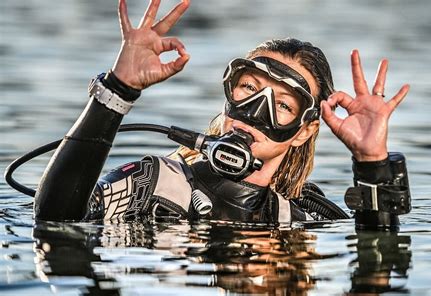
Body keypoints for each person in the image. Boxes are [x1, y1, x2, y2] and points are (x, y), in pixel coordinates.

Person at [34, 0, 411, 230]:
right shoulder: (154, 183)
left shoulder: (306, 215)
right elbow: (54, 222)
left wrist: (371, 163)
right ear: (229, 91)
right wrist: (117, 90)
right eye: (248, 88)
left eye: (283, 105)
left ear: (303, 130)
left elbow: (378, 272)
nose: (255, 112)